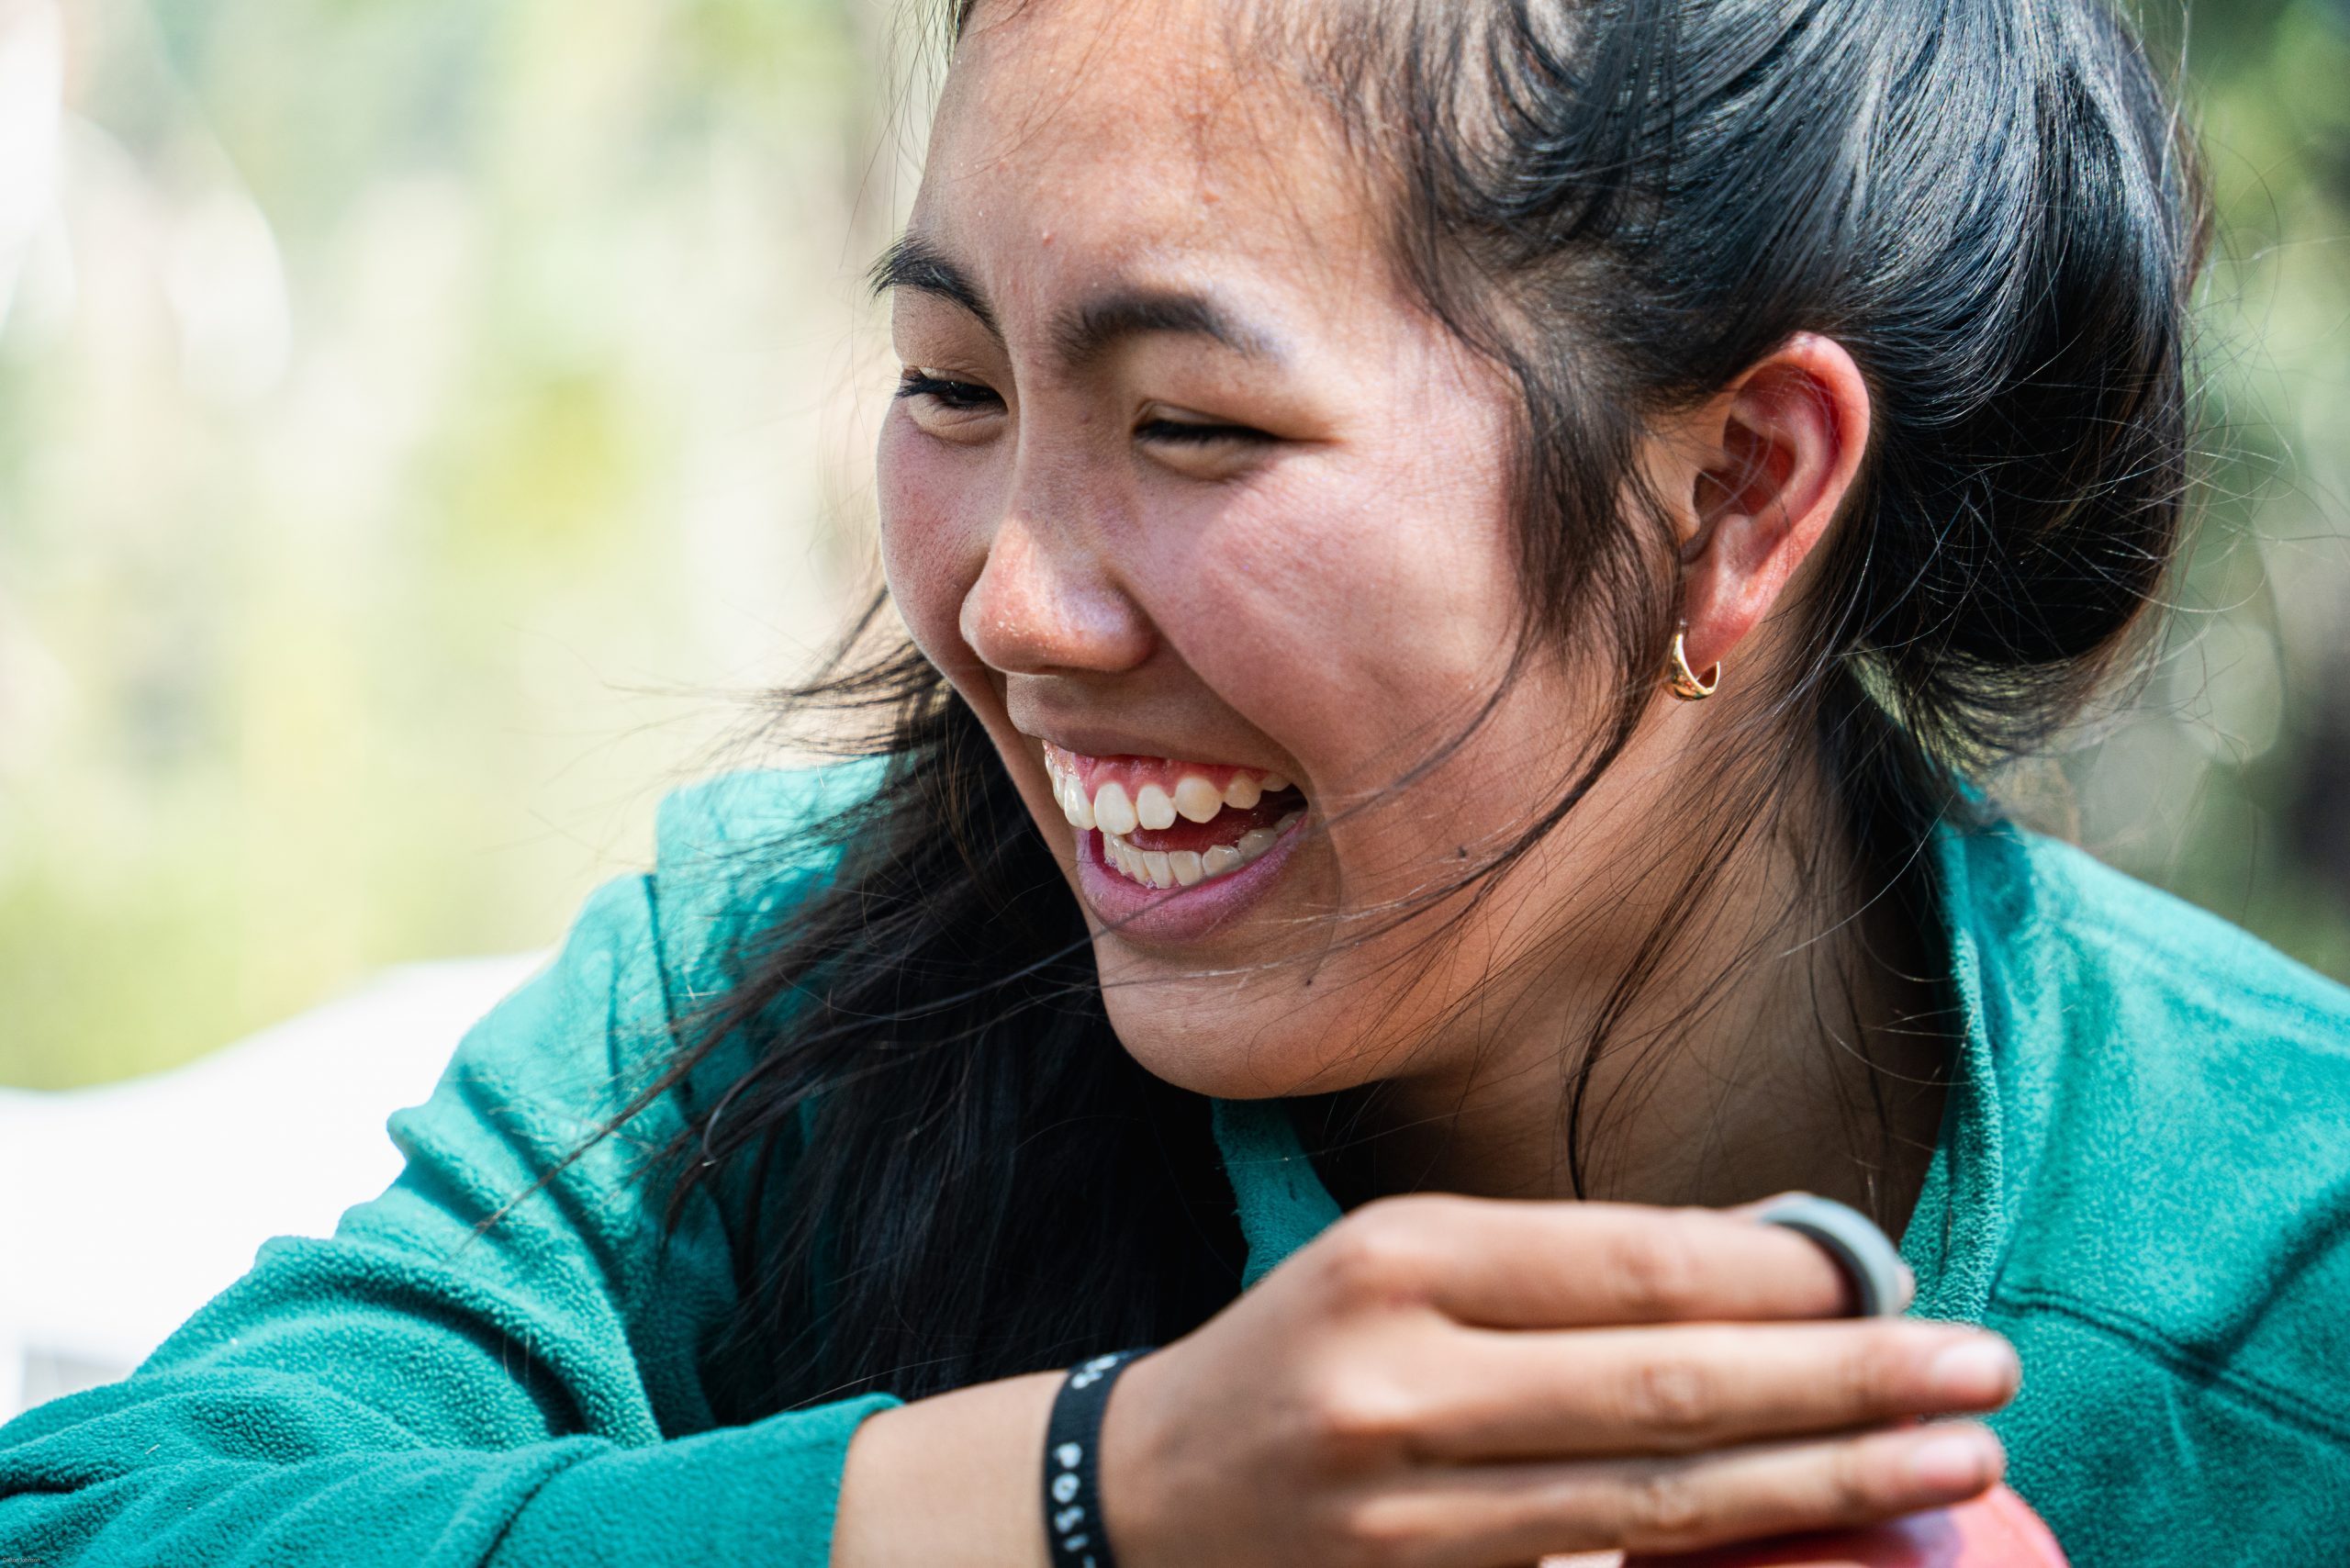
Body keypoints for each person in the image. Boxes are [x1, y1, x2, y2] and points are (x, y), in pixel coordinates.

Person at [5, 1, 2346, 1564]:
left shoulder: (2275, 1284)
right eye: (947, 382)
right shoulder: (777, 1004)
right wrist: (1079, 1492)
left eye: (1193, 427)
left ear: (1737, 486)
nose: (1011, 604)